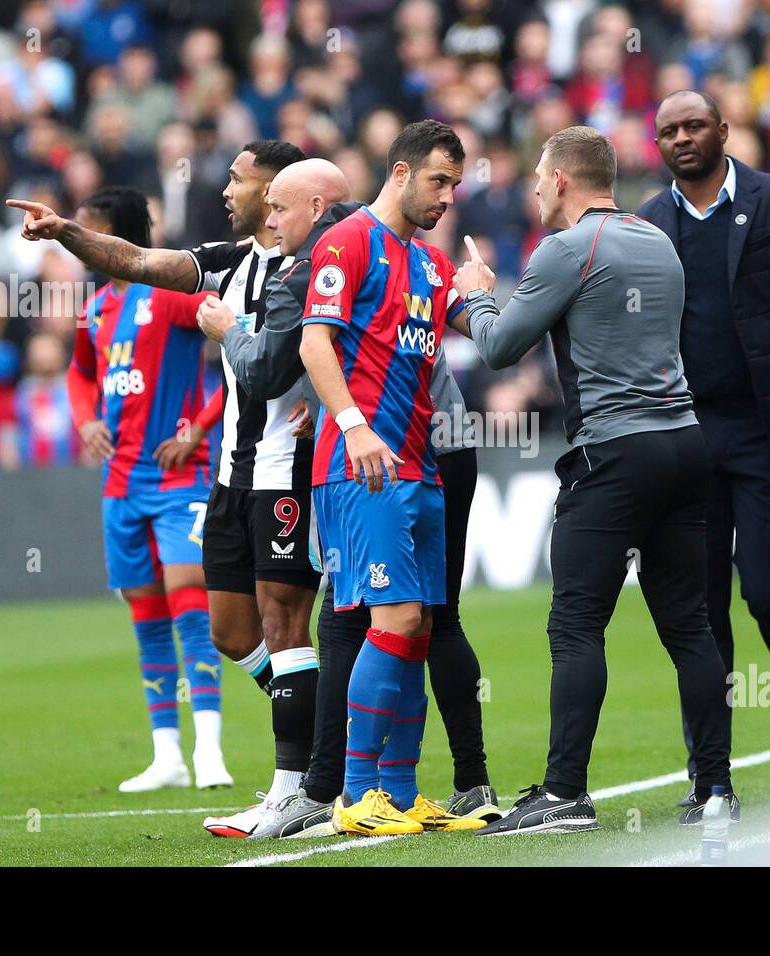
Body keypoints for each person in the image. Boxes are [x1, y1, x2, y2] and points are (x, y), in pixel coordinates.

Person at [7, 141, 320, 809]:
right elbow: (133, 273)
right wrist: (64, 232)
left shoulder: (314, 266)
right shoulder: (220, 265)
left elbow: (328, 346)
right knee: (231, 630)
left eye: (236, 179)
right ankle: (302, 728)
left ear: (272, 192)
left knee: (281, 619)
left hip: (268, 470)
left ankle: (295, 771)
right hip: (213, 480)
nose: (225, 189)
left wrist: (204, 427)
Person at [197, 163, 500, 838]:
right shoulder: (401, 251)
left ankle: (342, 788)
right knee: (418, 620)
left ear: (317, 206)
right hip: (418, 450)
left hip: (386, 456)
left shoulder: (338, 253)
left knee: (362, 622)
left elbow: (282, 359)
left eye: (277, 206)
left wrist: (236, 335)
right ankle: (431, 785)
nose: (269, 221)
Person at [452, 125, 733, 836]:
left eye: (540, 177)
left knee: (575, 624)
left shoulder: (566, 248)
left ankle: (565, 794)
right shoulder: (656, 239)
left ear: (563, 180)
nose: (534, 189)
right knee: (690, 625)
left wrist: (476, 294)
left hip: (615, 452)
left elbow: (496, 348)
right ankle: (716, 789)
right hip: (684, 442)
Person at [638, 90, 770, 804]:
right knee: (700, 611)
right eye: (668, 131)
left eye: (694, 125)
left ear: (724, 131)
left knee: (766, 591)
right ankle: (711, 778)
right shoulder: (648, 224)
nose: (682, 139)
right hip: (687, 441)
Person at [298, 119, 485, 835]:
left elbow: (479, 329)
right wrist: (352, 424)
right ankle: (357, 791)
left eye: (456, 186)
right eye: (438, 181)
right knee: (395, 620)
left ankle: (403, 797)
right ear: (400, 173)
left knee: (420, 626)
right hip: (361, 467)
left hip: (421, 466)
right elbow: (316, 341)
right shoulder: (345, 243)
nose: (447, 197)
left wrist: (479, 289)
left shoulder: (431, 265)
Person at [61, 186, 230, 792]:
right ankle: (168, 753)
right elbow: (79, 373)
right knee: (145, 611)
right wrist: (85, 418)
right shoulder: (96, 309)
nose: (78, 240)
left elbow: (239, 354)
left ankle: (209, 746)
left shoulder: (174, 295)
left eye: (87, 229)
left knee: (189, 595)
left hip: (180, 475)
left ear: (116, 233)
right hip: (121, 483)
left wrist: (198, 428)